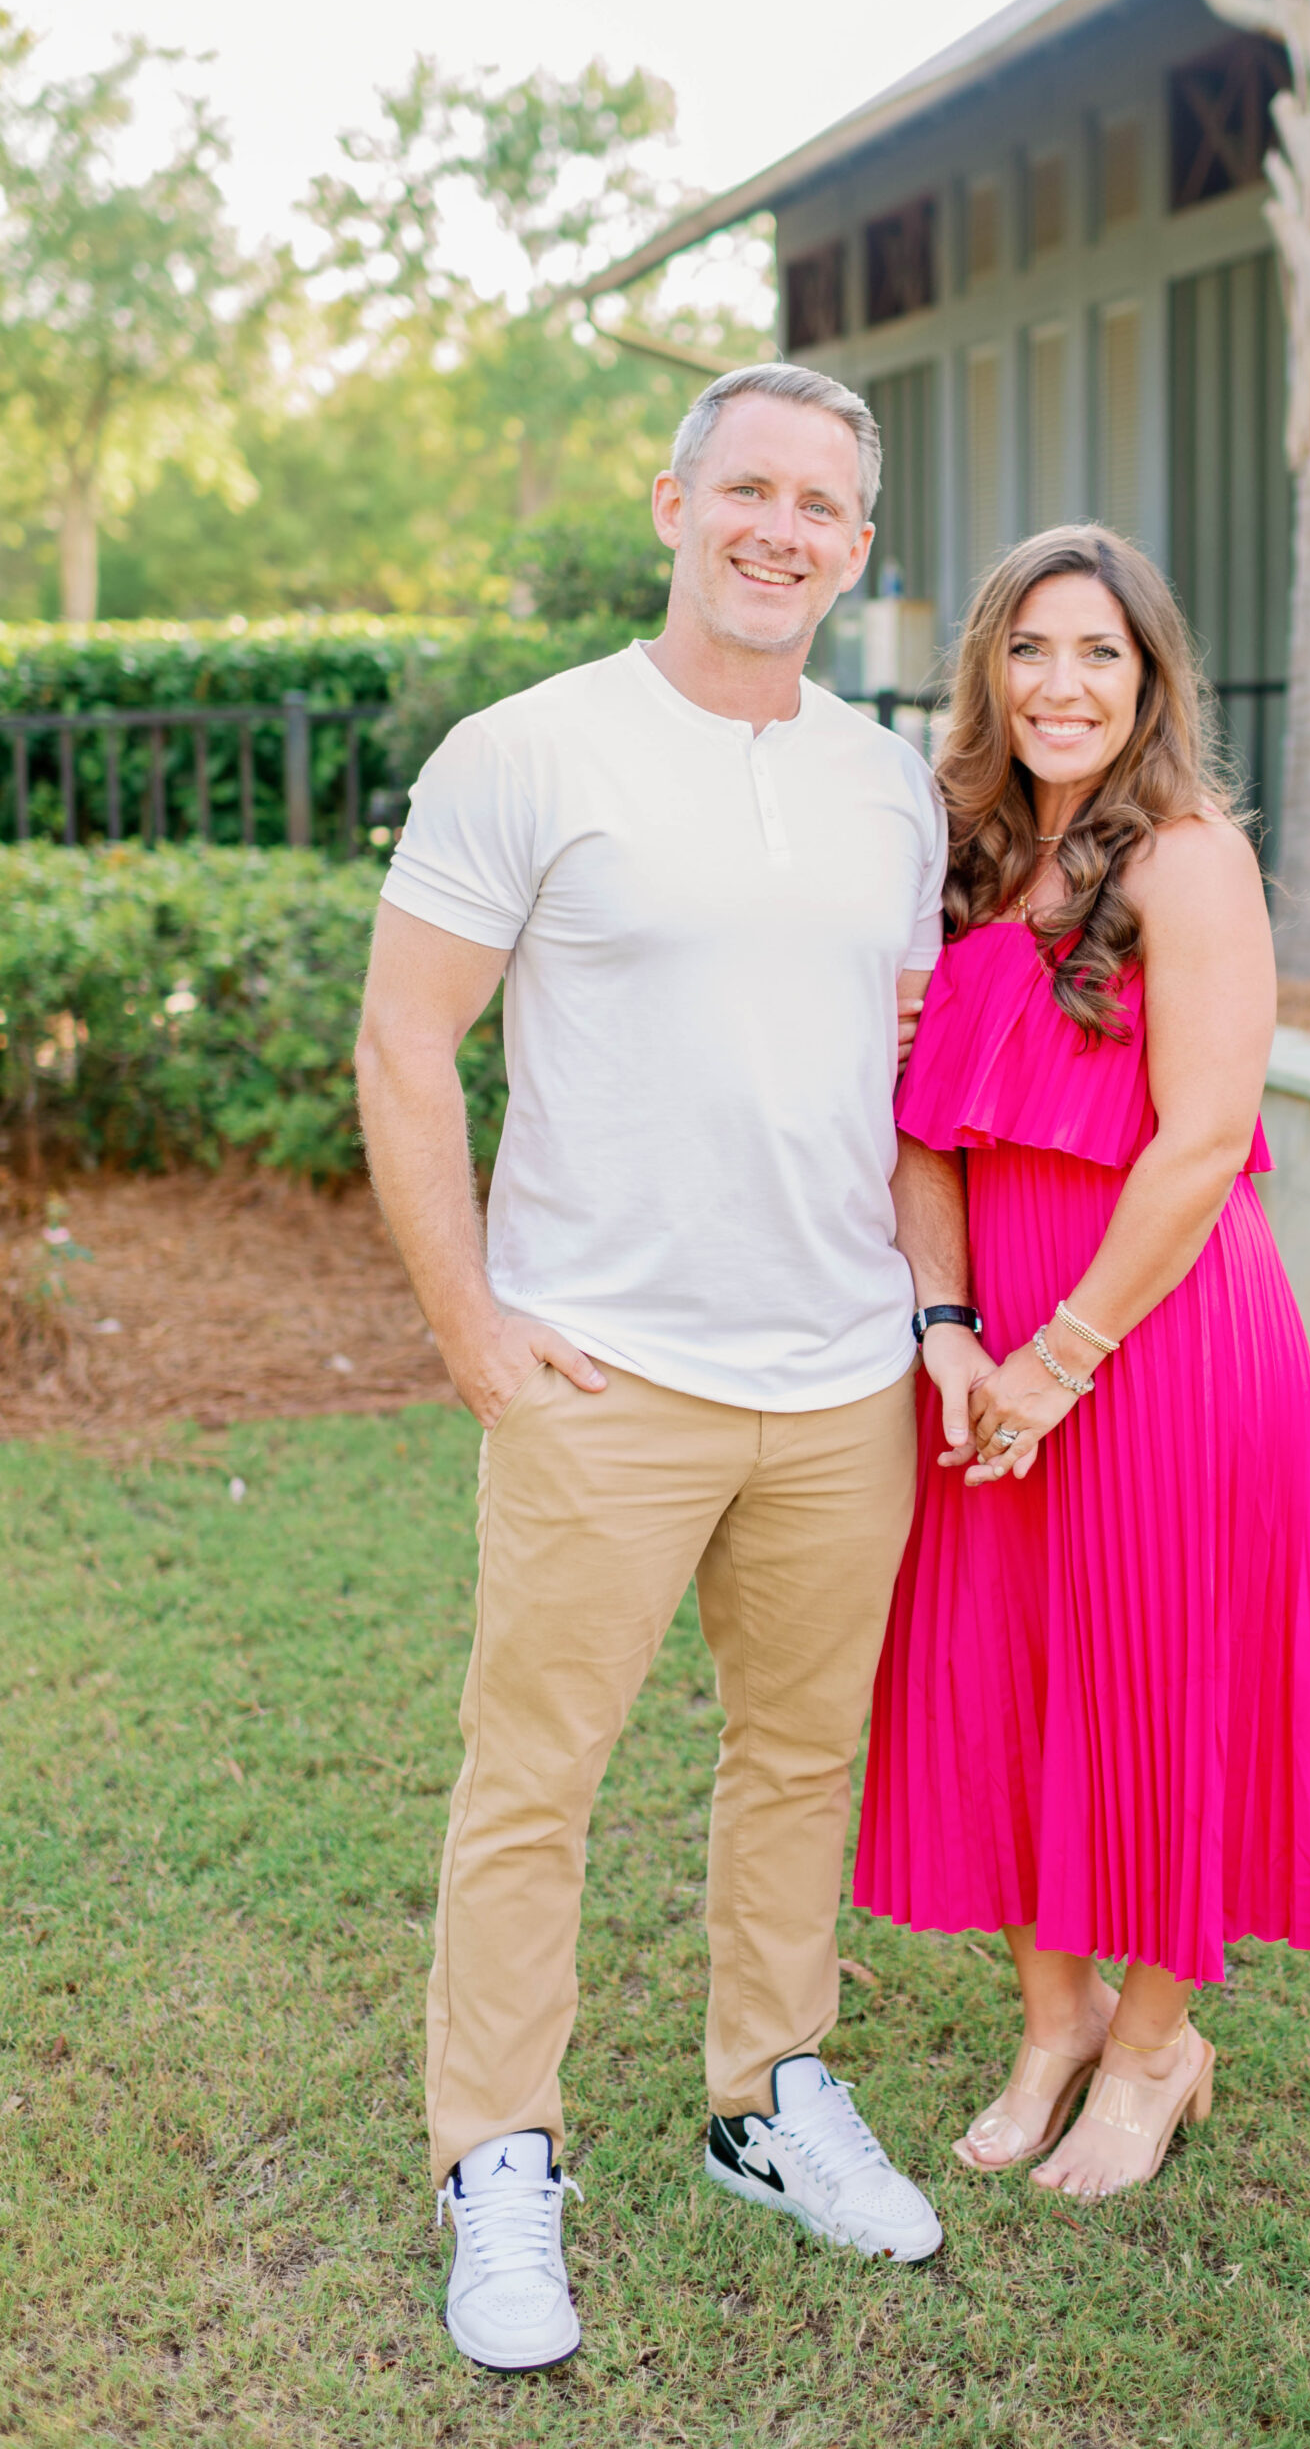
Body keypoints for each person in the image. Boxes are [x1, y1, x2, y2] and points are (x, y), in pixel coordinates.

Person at [355, 363, 950, 2376]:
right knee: (537, 1778)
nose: (782, 529)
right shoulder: (530, 749)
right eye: (750, 490)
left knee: (798, 1760)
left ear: (860, 548)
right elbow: (401, 1043)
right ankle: (495, 2156)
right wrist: (472, 1322)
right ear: (676, 500)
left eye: (824, 506)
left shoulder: (887, 784)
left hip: (840, 1370)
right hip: (605, 1374)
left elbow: (894, 1065)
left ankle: (767, 2096)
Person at [853, 525, 1310, 2203]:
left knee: (1161, 1689)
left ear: (1149, 681)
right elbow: (918, 1122)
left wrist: (1058, 1356)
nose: (1063, 686)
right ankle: (1052, 2024)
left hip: (1159, 1344)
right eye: (1032, 651)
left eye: (1101, 656)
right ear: (990, 667)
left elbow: (1203, 1142)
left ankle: (1152, 2050)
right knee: (1001, 1678)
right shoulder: (960, 856)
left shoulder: (1189, 860)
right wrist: (947, 1332)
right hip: (993, 1356)